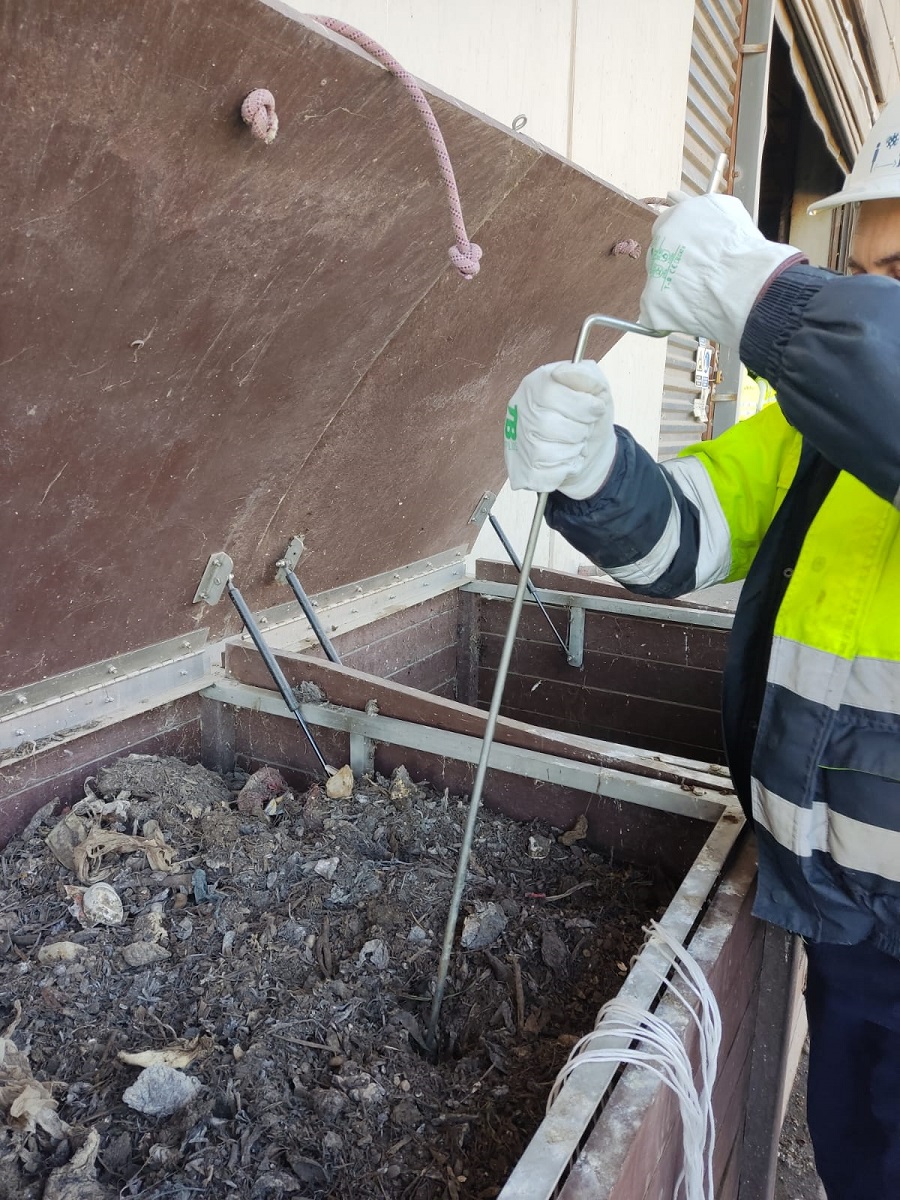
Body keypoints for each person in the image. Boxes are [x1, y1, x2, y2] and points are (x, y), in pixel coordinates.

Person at [503, 93, 900, 1199]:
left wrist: (771, 299)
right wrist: (596, 471)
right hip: (846, 922)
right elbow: (688, 533)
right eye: (875, 273)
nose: (881, 301)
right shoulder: (816, 436)